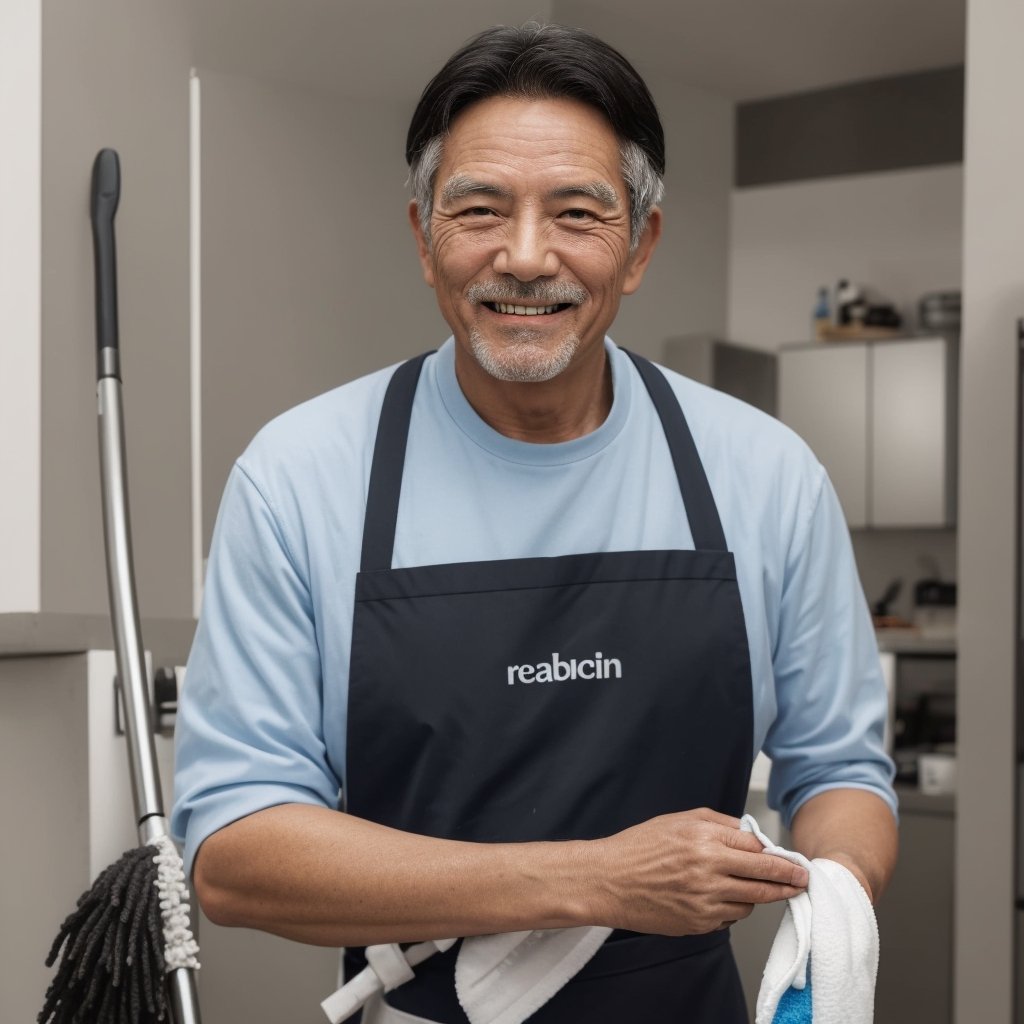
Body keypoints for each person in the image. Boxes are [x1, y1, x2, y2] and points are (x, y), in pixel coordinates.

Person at [172, 22, 897, 1023]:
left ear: (637, 245)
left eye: (575, 213)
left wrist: (835, 911)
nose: (523, 256)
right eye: (478, 210)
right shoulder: (300, 479)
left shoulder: (764, 474)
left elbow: (842, 772)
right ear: (424, 237)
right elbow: (235, 855)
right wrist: (596, 878)